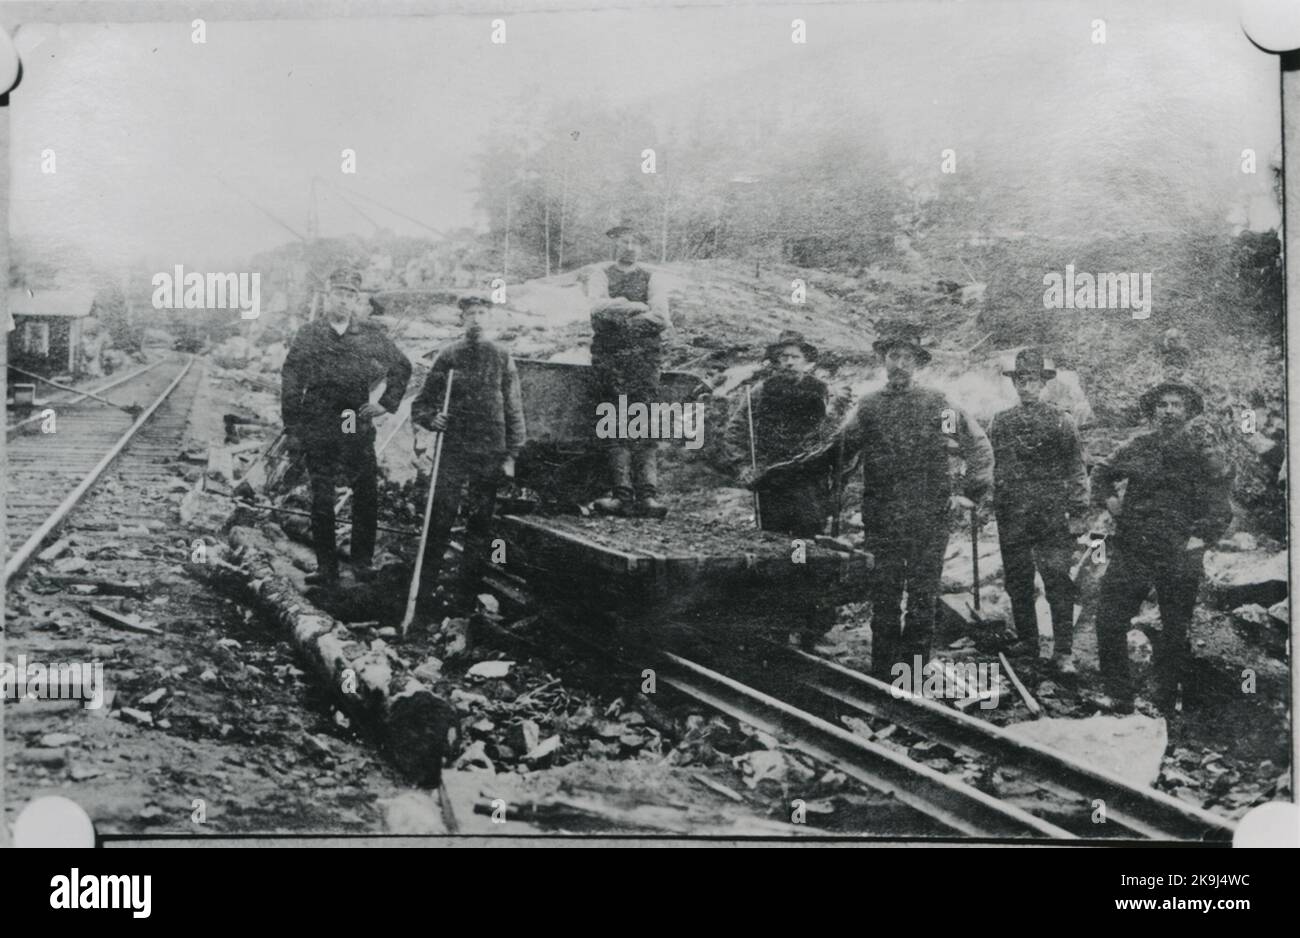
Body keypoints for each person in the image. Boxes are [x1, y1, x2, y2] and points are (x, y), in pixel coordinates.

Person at [801, 322, 993, 681]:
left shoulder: (938, 403)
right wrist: (803, 477)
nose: (900, 363)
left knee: (922, 598)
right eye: (893, 356)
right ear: (884, 361)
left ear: (917, 363)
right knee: (885, 596)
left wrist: (969, 492)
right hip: (883, 515)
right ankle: (882, 674)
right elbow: (839, 450)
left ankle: (913, 673)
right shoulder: (870, 406)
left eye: (907, 357)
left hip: (929, 515)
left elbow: (977, 445)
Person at [1090, 378, 1232, 715]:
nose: (1168, 411)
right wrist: (1113, 503)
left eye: (1176, 405)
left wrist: (1199, 540)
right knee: (1109, 618)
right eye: (1162, 405)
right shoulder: (1138, 446)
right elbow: (1100, 472)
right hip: (1134, 548)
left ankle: (1165, 702)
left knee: (1174, 629)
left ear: (1187, 412)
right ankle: (1119, 694)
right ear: (1153, 411)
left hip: (1179, 552)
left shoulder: (1203, 453)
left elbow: (1221, 506)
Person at [281, 267, 412, 585]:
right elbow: (290, 379)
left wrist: (385, 404)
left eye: (350, 295)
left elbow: (401, 367)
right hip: (319, 419)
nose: (344, 300)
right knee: (321, 494)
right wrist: (293, 427)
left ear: (356, 300)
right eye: (339, 293)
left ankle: (361, 563)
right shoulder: (309, 334)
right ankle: (326, 568)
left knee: (365, 489)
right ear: (329, 296)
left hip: (354, 419)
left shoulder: (368, 334)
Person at [410, 295, 526, 613]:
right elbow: (421, 403)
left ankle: (465, 599)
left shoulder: (502, 356)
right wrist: (432, 418)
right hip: (454, 449)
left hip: (490, 449)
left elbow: (514, 408)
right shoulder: (449, 355)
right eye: (470, 313)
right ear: (461, 320)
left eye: (482, 313)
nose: (476, 318)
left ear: (490, 318)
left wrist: (512, 454)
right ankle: (424, 597)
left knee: (480, 523)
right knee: (440, 517)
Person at [989, 348, 1090, 672]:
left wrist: (1077, 512)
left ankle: (1063, 652)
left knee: (1057, 580)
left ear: (1042, 383)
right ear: (1015, 384)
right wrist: (985, 497)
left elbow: (1076, 469)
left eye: (1032, 380)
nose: (1026, 386)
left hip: (1051, 515)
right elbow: (993, 465)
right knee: (1018, 580)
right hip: (1013, 514)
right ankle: (1028, 643)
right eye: (1021, 380)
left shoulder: (1062, 422)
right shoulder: (1001, 422)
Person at [586, 222, 681, 518]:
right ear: (614, 243)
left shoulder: (653, 277)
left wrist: (619, 313)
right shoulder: (600, 274)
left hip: (644, 360)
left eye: (636, 243)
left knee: (645, 422)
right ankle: (620, 495)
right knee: (613, 422)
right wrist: (637, 308)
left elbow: (662, 318)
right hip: (609, 360)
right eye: (625, 241)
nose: (630, 247)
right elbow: (596, 307)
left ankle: (648, 496)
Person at [721, 330, 846, 536]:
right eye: (784, 357)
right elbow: (736, 430)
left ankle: (799, 566)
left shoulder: (823, 391)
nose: (789, 362)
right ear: (776, 361)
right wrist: (743, 466)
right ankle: (781, 567)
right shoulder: (761, 390)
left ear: (806, 361)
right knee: (773, 535)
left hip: (809, 478)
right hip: (771, 476)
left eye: (795, 357)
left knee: (806, 534)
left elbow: (836, 433)